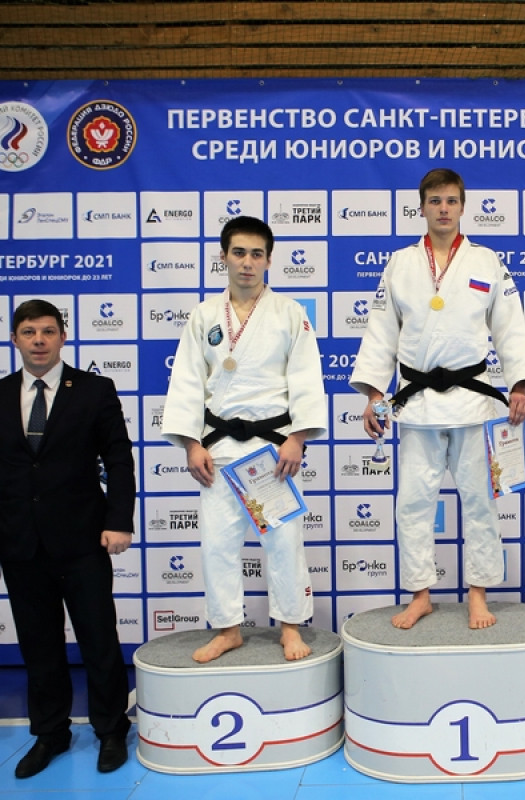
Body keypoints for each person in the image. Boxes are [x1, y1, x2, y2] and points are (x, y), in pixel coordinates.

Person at [0, 299, 135, 778]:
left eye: (48, 331)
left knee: (99, 639)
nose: (39, 340)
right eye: (29, 332)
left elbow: (119, 459)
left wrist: (119, 520)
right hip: (20, 542)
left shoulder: (94, 390)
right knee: (38, 644)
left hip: (83, 539)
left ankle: (111, 729)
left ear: (62, 337)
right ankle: (51, 732)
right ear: (14, 339)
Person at [350, 167, 525, 630]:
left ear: (463, 206)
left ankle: (478, 594)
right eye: (435, 201)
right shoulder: (401, 263)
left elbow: (510, 327)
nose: (444, 209)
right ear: (422, 207)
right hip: (417, 403)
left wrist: (519, 384)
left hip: (472, 401)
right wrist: (374, 393)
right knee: (413, 503)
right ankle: (420, 595)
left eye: (451, 201)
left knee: (479, 501)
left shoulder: (486, 261)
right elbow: (381, 332)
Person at [162, 215, 327, 663]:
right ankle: (227, 629)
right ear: (223, 257)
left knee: (284, 542)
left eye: (257, 254)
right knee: (218, 543)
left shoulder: (290, 313)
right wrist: (192, 443)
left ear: (269, 260)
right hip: (217, 446)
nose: (247, 262)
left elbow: (306, 379)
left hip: (273, 448)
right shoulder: (203, 315)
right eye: (239, 253)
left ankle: (290, 627)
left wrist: (297, 438)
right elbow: (188, 382)